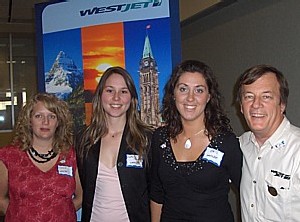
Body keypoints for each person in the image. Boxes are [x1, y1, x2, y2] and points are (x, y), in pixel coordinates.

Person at [150, 60, 242, 222]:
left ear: (209, 97)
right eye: (183, 89)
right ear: (173, 94)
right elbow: (157, 194)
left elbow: (248, 194)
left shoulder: (226, 142)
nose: (190, 98)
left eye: (199, 90)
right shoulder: (159, 138)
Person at [76, 66, 153, 222]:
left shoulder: (147, 139)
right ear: (100, 96)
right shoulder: (85, 139)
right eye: (110, 90)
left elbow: (156, 192)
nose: (116, 98)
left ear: (132, 99)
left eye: (123, 91)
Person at [0, 93, 82, 221]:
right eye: (39, 116)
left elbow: (80, 197)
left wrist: (60, 213)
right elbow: (1, 199)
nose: (46, 122)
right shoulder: (8, 156)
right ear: (29, 120)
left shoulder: (72, 155)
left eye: (52, 116)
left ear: (58, 122)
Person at [237, 64, 300, 221]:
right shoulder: (239, 146)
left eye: (266, 96)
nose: (256, 104)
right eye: (249, 97)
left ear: (282, 105)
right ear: (241, 107)